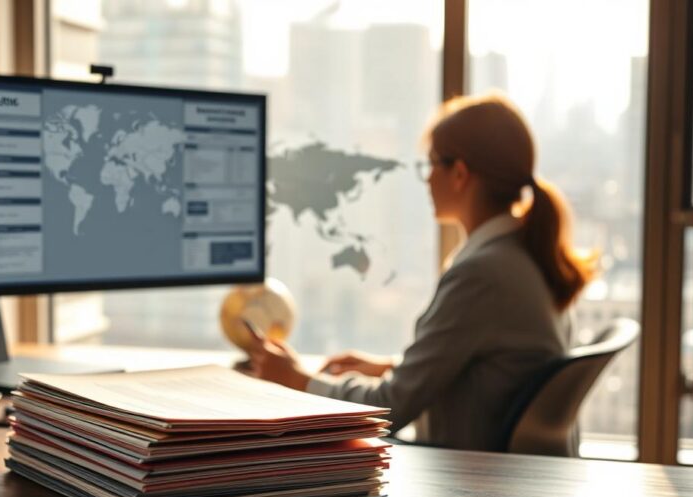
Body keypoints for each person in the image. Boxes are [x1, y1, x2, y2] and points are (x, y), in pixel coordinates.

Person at [247, 93, 596, 451]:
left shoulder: (483, 273)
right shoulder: (525, 251)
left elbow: (391, 406)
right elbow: (484, 365)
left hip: (472, 482)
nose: (426, 179)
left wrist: (297, 379)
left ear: (460, 173)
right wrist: (389, 367)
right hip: (503, 477)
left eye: (430, 165)